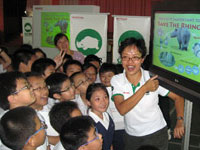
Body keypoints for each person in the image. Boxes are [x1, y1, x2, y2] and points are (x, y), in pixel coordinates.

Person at [111, 37, 185, 150]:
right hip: (131, 136)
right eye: (125, 57)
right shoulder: (117, 80)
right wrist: (144, 88)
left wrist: (179, 120)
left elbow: (178, 97)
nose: (130, 62)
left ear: (142, 59)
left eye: (135, 57)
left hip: (156, 134)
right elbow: (122, 109)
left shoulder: (152, 77)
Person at [26, 72, 59, 146]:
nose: (45, 92)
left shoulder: (54, 103)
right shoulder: (25, 117)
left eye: (45, 87)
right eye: (38, 88)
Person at [99, 63, 125, 150]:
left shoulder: (121, 88)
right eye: (103, 76)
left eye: (109, 75)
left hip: (123, 126)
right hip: (109, 127)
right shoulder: (99, 91)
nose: (106, 79)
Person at [86, 83, 115, 150]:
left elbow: (110, 141)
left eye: (105, 97)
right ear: (88, 102)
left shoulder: (106, 115)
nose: (103, 102)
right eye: (97, 99)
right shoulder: (89, 123)